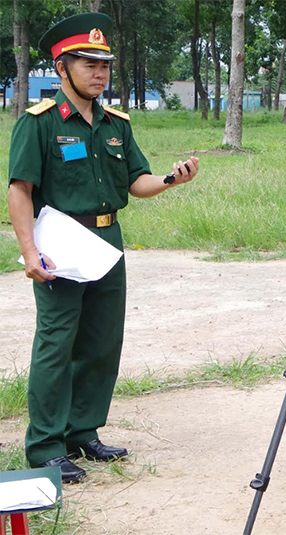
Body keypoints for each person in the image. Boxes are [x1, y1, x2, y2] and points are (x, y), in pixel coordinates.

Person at [7, 13, 199, 483]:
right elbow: (20, 190)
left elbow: (136, 181)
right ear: (62, 69)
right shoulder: (40, 123)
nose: (99, 73)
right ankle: (46, 445)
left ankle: (82, 431)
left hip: (106, 240)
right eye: (88, 64)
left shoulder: (116, 124)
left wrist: (172, 179)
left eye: (104, 65)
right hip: (60, 243)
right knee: (57, 343)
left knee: (100, 342)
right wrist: (30, 253)